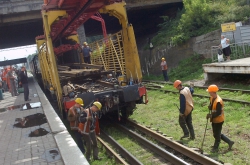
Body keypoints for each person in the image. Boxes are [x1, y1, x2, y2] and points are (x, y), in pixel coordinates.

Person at [206, 84, 234, 152]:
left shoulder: (218, 101)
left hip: (219, 120)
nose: (209, 93)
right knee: (216, 133)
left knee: (217, 134)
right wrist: (210, 106)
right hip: (214, 119)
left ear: (213, 92)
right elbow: (212, 105)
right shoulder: (212, 97)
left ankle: (216, 147)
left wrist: (211, 116)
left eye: (209, 92)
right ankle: (230, 142)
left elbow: (218, 112)